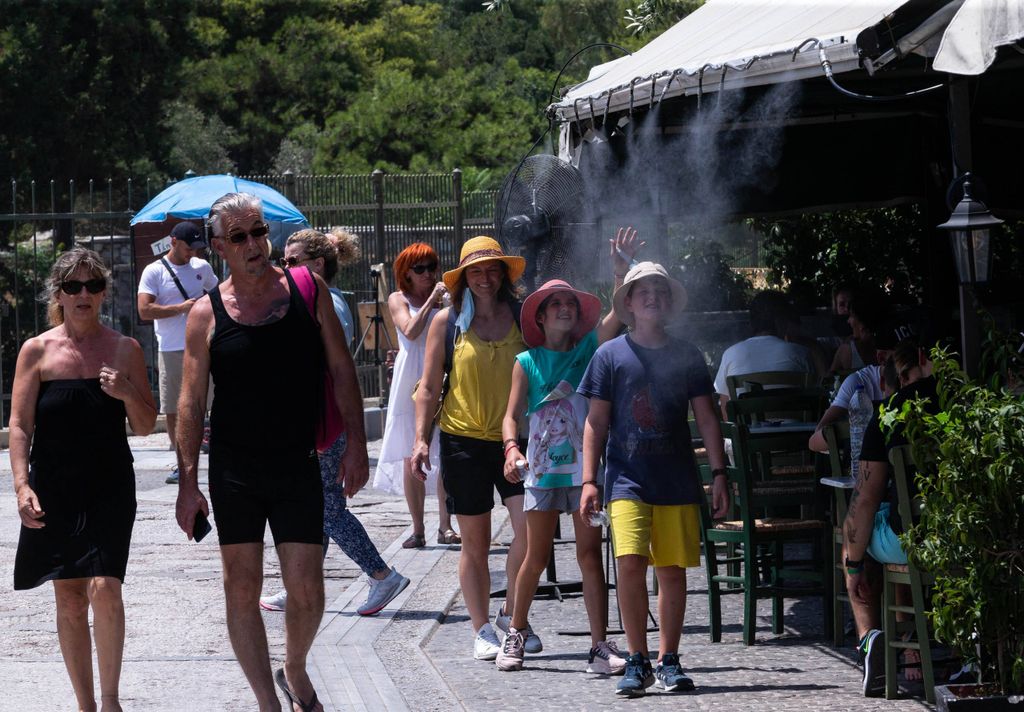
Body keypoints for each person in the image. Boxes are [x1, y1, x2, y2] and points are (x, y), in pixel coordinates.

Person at [174, 193, 369, 712]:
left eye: (258, 231)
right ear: (219, 248)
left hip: (298, 459)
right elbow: (191, 404)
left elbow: (342, 368)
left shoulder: (307, 290)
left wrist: (356, 445)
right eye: (239, 237)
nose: (255, 245)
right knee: (242, 587)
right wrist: (188, 481)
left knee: (306, 587)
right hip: (235, 468)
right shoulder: (204, 316)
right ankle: (267, 701)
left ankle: (295, 665)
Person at [11, 247, 157, 712]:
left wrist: (127, 390)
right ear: (58, 294)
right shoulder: (36, 350)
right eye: (73, 286)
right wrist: (21, 485)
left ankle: (110, 702)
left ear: (103, 294)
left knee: (105, 585)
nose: (84, 294)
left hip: (109, 485)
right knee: (70, 596)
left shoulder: (124, 349)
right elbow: (19, 425)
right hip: (55, 485)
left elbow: (148, 423)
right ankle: (85, 705)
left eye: (93, 285)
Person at [578, 261, 729, 698]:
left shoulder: (687, 355)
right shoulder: (609, 355)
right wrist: (590, 480)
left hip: (677, 478)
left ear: (669, 303)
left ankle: (669, 660)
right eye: (642, 290)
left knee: (672, 571)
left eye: (660, 291)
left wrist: (719, 474)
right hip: (626, 479)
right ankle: (637, 659)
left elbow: (706, 417)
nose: (652, 297)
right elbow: (595, 423)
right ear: (627, 302)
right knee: (629, 563)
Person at [494, 227, 641, 674]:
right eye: (555, 304)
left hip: (584, 473)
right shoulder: (525, 363)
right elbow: (510, 416)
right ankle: (515, 632)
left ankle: (599, 646)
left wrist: (620, 273)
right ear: (540, 316)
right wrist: (510, 450)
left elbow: (617, 315)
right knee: (535, 557)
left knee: (589, 555)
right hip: (539, 472)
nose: (563, 308)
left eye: (570, 304)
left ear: (577, 317)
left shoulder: (589, 350)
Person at [258, 228, 410, 617]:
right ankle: (300, 586)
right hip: (322, 416)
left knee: (325, 508)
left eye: (292, 261)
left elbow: (327, 367)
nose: (284, 268)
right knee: (319, 506)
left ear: (317, 264)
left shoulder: (327, 304)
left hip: (323, 417)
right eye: (283, 261)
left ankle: (381, 574)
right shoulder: (322, 299)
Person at [410, 235, 529, 662]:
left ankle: (511, 613)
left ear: (503, 274)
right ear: (463, 278)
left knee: (531, 535)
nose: (484, 278)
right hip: (463, 441)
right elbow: (427, 387)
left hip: (517, 441)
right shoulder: (447, 321)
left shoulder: (523, 316)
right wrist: (421, 439)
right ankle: (481, 629)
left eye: (491, 269)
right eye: (475, 271)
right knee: (474, 545)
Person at [843, 317, 935, 697]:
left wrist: (852, 563)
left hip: (910, 538)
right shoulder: (964, 400)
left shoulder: (887, 415)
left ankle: (870, 638)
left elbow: (865, 497)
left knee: (858, 535)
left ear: (887, 383)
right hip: (968, 535)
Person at [373, 242, 459, 548]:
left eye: (431, 267)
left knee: (446, 450)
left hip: (440, 372)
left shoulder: (443, 301)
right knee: (413, 453)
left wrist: (448, 303)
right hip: (411, 374)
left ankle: (445, 525)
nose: (427, 274)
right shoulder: (398, 299)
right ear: (406, 274)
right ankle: (418, 527)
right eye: (419, 269)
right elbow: (410, 331)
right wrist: (431, 303)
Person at [137, 221, 219, 484]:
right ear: (173, 242)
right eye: (188, 247)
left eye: (197, 248)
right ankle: (180, 462)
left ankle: (221, 457)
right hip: (171, 347)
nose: (192, 253)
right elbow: (144, 310)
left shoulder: (202, 267)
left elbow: (219, 295)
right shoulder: (154, 271)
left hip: (202, 346)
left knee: (213, 402)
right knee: (173, 407)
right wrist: (181, 308)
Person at [713, 290, 815, 419]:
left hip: (746, 436)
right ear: (782, 320)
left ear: (752, 321)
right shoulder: (800, 353)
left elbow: (725, 405)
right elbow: (814, 399)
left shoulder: (731, 354)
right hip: (795, 436)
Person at [829, 291, 887, 374]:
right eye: (842, 304)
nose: (848, 321)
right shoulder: (846, 349)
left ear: (863, 321)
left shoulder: (846, 350)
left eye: (851, 316)